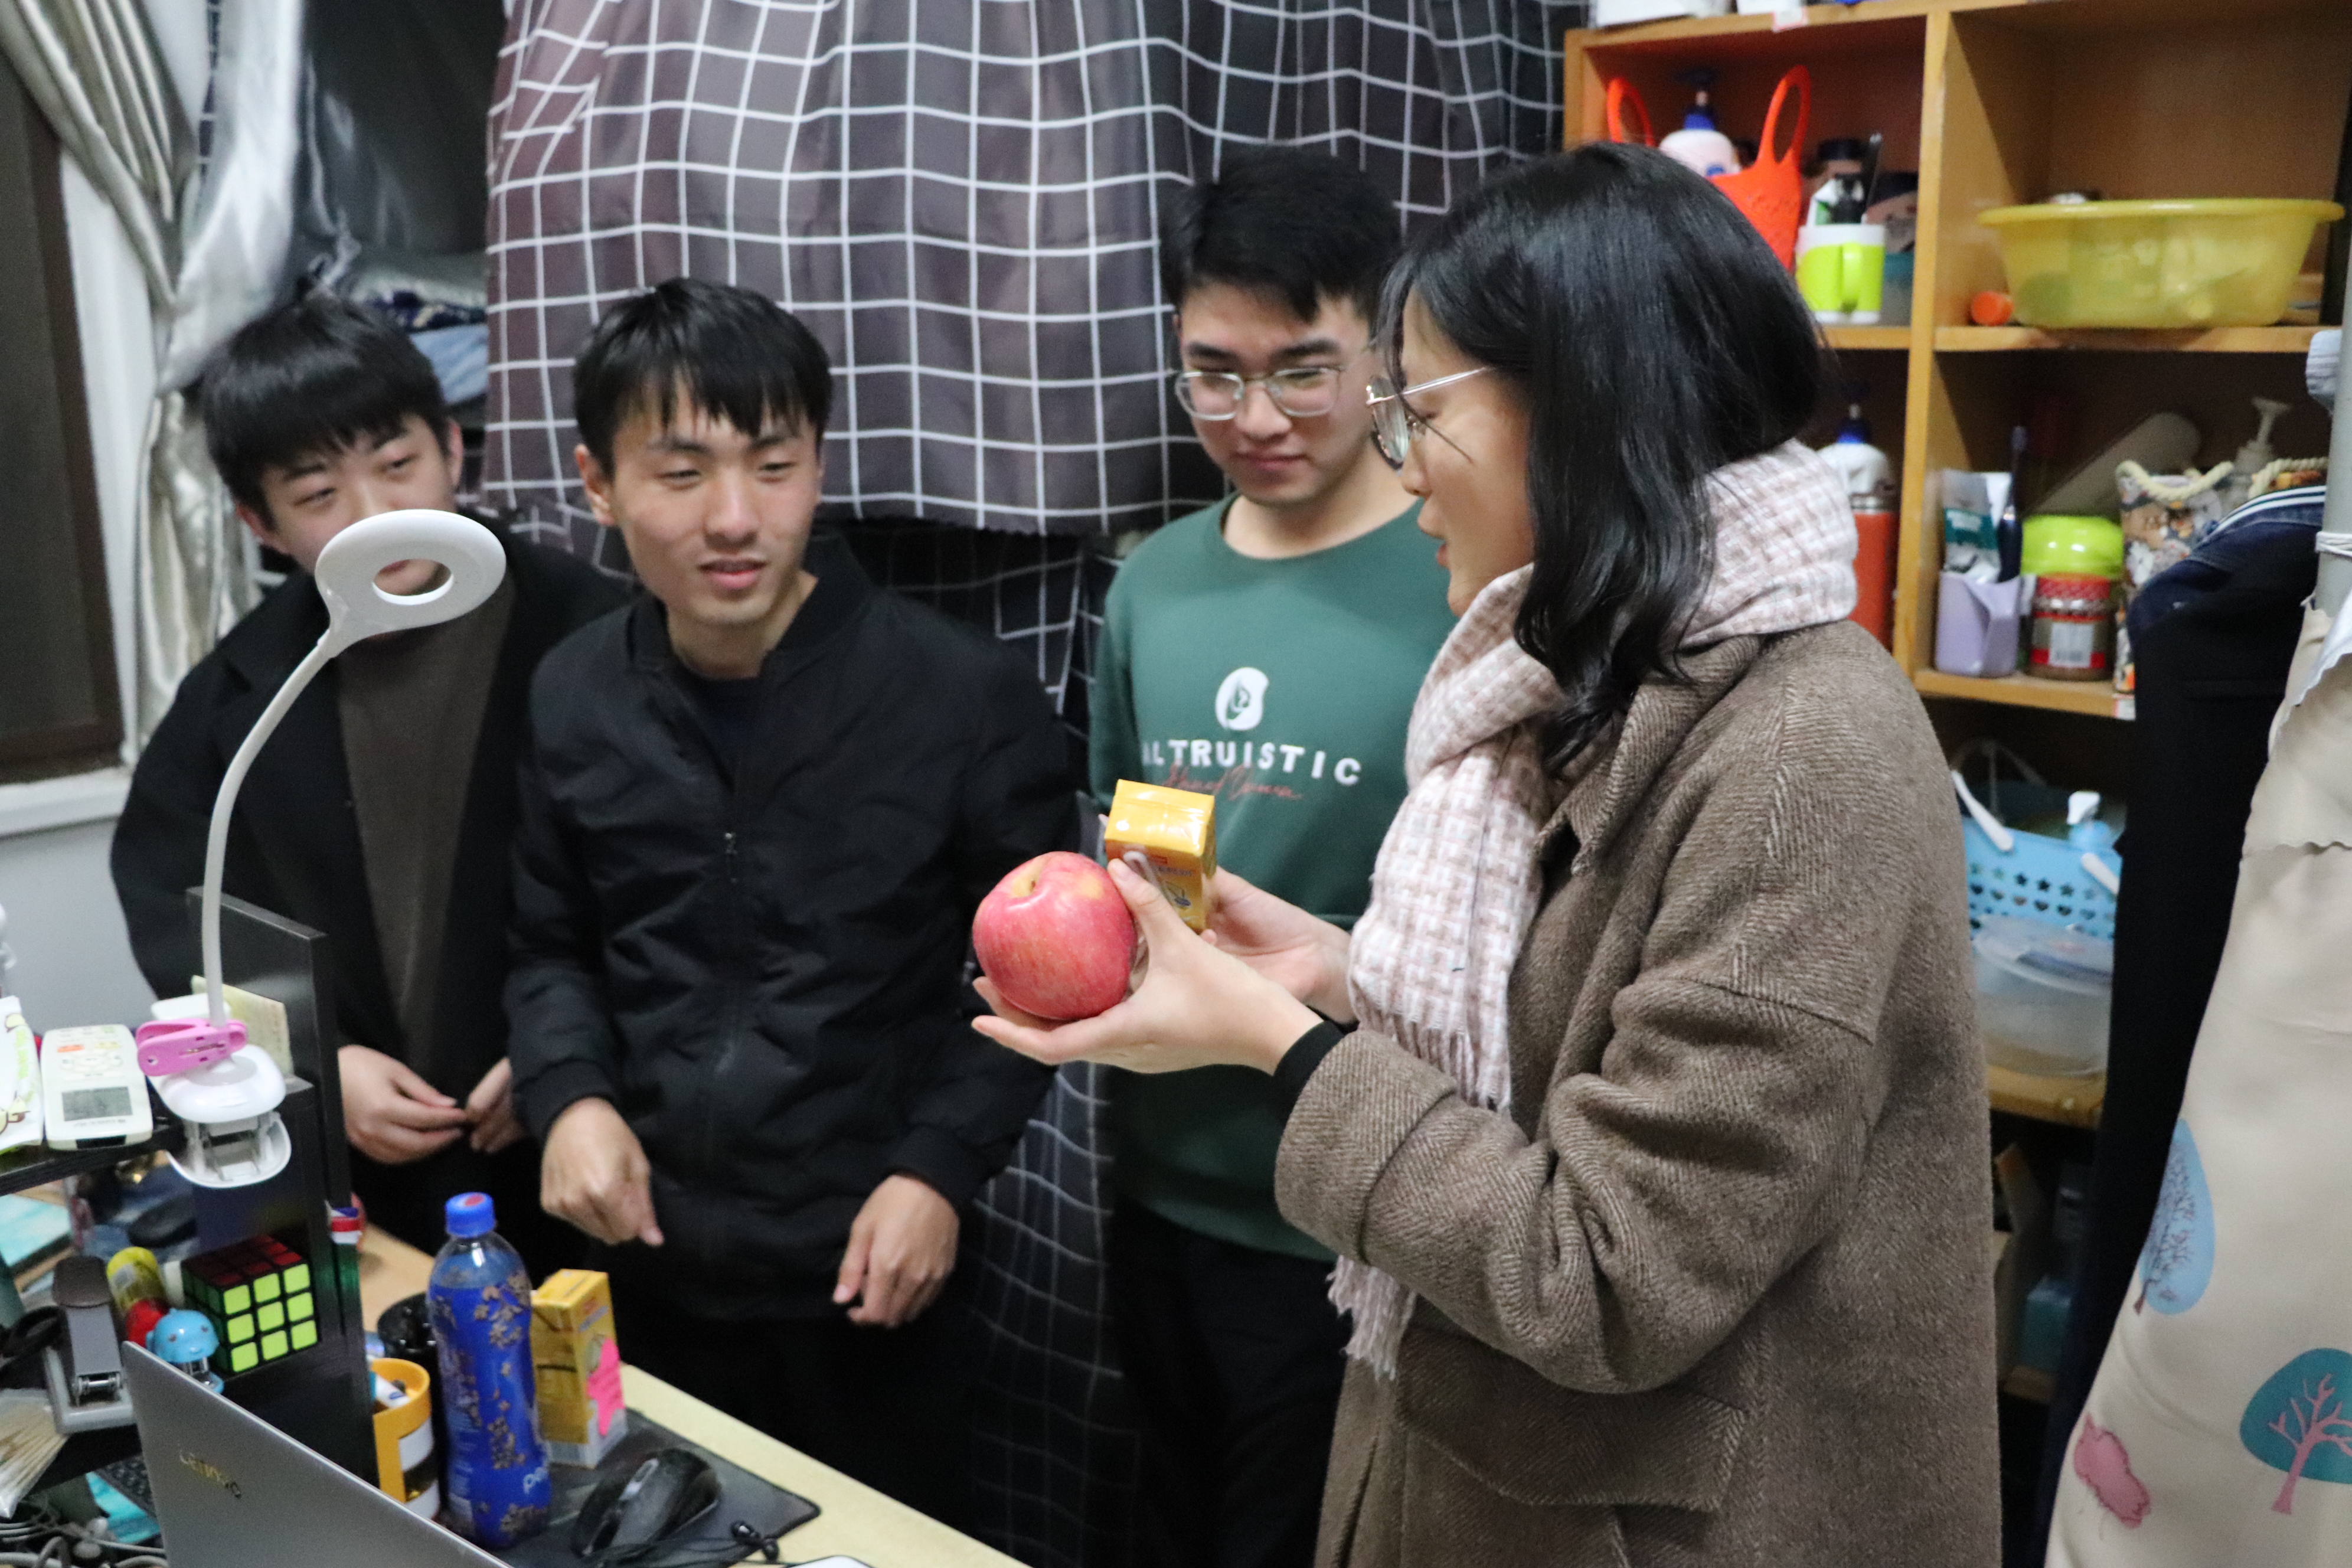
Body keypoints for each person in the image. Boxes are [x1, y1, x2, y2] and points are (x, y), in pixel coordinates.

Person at [978, 145, 2001, 1565]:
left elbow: (1610, 1274)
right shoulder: (1604, 674)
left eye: (1419, 409)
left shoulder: (1802, 752)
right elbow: (1581, 1028)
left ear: (1581, 407)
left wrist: (1285, 1047)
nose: (1400, 464)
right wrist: (1339, 973)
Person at [506, 277, 1073, 1527]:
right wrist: (569, 1098)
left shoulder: (962, 695)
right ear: (598, 484)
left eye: (774, 467)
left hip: (874, 1269)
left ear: (818, 463)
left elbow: (1036, 983)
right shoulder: (572, 691)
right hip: (642, 1263)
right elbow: (550, 943)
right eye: (681, 472)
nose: (735, 518)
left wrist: (938, 1172)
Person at [1090, 146, 1453, 1568]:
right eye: (1214, 374)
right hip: (1162, 1185)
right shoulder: (1154, 584)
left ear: (1384, 348)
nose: (1255, 418)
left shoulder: (1457, 573)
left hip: (1359, 1207)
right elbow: (1134, 859)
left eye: (1303, 372)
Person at [112, 292, 625, 1269]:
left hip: (591, 1155)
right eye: (319, 495)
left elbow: (674, 883)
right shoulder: (241, 690)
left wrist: (571, 1056)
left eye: (398, 466)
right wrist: (315, 1060)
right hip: (363, 1182)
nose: (377, 518)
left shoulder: (590, 630)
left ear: (453, 450)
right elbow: (178, 901)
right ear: (260, 524)